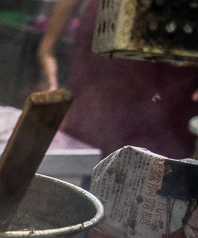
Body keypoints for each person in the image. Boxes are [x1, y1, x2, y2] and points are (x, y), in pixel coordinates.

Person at [37, 0, 198, 160]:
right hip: (106, 44)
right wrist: (48, 50)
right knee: (89, 144)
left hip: (179, 58)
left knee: (161, 164)